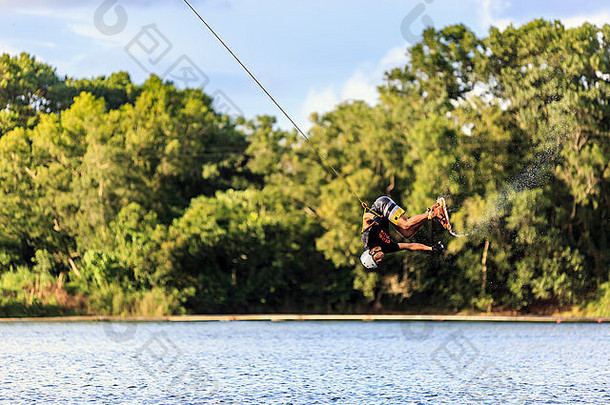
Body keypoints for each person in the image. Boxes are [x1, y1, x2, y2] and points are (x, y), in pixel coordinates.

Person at [360, 196, 450, 269]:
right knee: (407, 234)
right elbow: (409, 246)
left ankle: (436, 212)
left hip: (381, 205)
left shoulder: (367, 239)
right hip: (385, 216)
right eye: (377, 263)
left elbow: (365, 217)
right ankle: (432, 211)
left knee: (406, 225)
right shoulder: (386, 248)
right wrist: (430, 248)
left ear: (371, 253)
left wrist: (374, 218)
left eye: (376, 260)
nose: (379, 260)